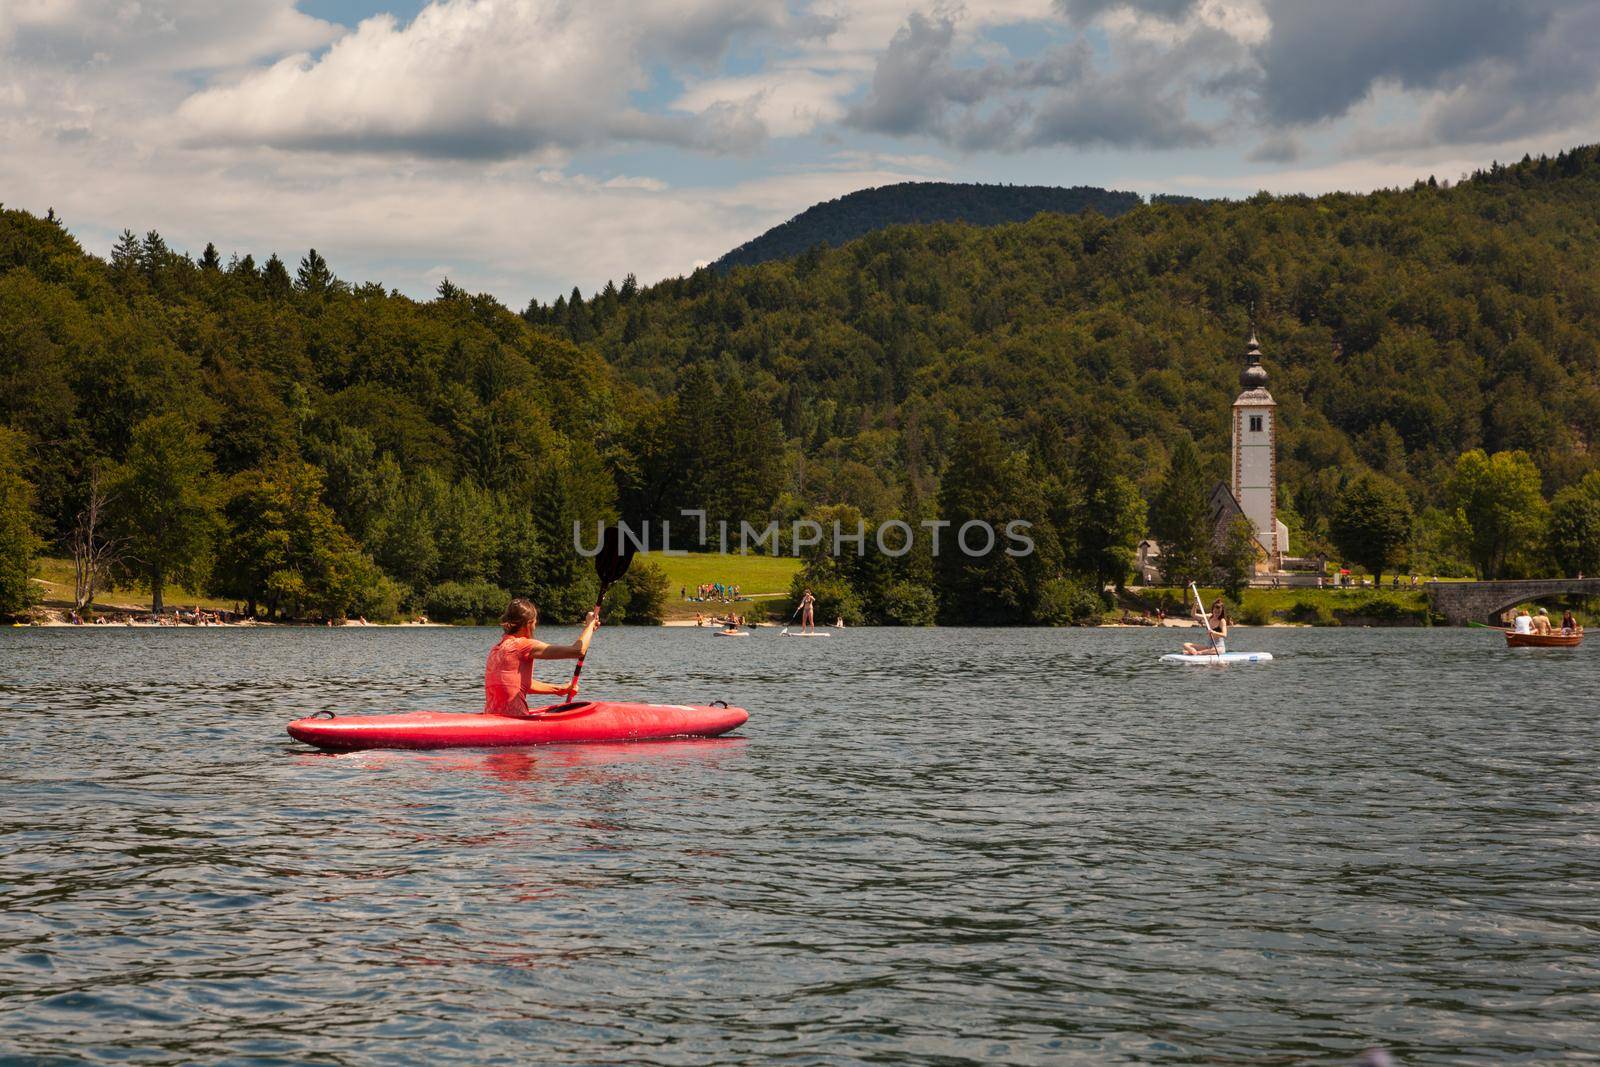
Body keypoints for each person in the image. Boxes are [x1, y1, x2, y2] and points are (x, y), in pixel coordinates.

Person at [485, 598, 600, 715]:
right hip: (515, 719)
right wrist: (589, 626)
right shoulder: (524, 645)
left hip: (492, 717)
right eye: (534, 623)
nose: (535, 627)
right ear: (529, 624)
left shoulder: (496, 649)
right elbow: (578, 650)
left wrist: (561, 689)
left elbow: (522, 684)